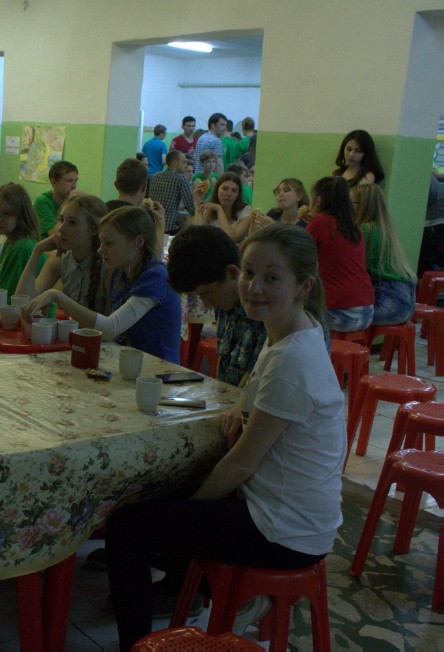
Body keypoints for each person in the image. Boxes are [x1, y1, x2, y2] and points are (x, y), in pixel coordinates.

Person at [106, 223, 345, 651]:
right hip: (288, 515)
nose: (254, 287)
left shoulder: (293, 359)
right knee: (156, 504)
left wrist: (187, 510)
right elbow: (257, 392)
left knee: (129, 528)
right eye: (249, 272)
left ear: (303, 286)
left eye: (272, 277)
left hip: (284, 531)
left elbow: (240, 465)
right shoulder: (290, 331)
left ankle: (139, 645)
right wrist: (243, 405)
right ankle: (191, 591)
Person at [22, 205, 181, 363]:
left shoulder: (155, 276)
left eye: (109, 243)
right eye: (101, 243)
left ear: (138, 242)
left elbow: (110, 329)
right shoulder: (120, 272)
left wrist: (56, 296)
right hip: (129, 364)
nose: (100, 250)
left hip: (159, 370)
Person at [167, 225, 267, 387]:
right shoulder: (224, 302)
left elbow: (249, 387)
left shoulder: (263, 315)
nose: (206, 305)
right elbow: (222, 368)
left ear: (232, 273)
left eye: (207, 294)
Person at [15, 193, 107, 313]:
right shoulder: (60, 259)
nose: (61, 229)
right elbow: (23, 302)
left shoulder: (108, 263)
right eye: (61, 220)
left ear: (93, 229)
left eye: (72, 223)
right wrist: (37, 251)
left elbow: (111, 322)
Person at [306, 176, 374, 332]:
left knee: (290, 311)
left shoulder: (320, 222)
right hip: (367, 311)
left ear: (318, 200)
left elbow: (295, 252)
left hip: (340, 312)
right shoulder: (354, 227)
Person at [351, 184, 416, 325]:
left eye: (351, 202)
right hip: (403, 301)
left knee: (327, 314)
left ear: (364, 205)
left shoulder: (365, 231)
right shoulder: (383, 228)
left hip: (388, 302)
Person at [0, 183, 43, 302]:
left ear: (21, 214)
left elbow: (8, 298)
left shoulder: (22, 247)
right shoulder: (11, 241)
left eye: (6, 213)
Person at [192, 171, 252, 243]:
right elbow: (199, 235)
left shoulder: (246, 211)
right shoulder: (208, 208)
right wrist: (198, 203)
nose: (229, 193)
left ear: (238, 194)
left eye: (234, 190)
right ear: (217, 189)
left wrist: (219, 209)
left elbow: (231, 238)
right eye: (225, 189)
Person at [146, 150, 195, 234]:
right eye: (184, 162)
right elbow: (190, 207)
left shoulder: (155, 176)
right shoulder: (181, 178)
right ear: (175, 163)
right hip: (169, 227)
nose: (186, 165)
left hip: (151, 225)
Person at [34, 161, 79, 237]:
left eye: (76, 180)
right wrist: (70, 202)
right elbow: (55, 234)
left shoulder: (71, 200)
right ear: (54, 182)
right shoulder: (42, 202)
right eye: (69, 181)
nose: (74, 186)